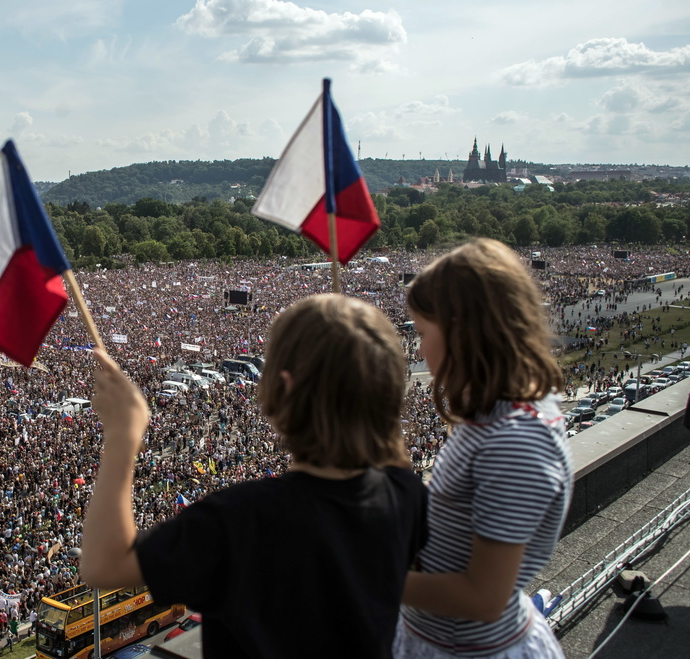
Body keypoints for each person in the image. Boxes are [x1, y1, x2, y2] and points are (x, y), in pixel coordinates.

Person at [81, 294, 427, 658]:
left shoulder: (240, 518)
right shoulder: (407, 494)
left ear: (283, 389)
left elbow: (104, 565)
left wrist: (122, 436)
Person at [395, 239, 573, 658]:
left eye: (422, 333)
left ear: (463, 328)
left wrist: (364, 576)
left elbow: (483, 597)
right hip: (445, 639)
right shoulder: (502, 415)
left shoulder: (516, 440)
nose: (418, 349)